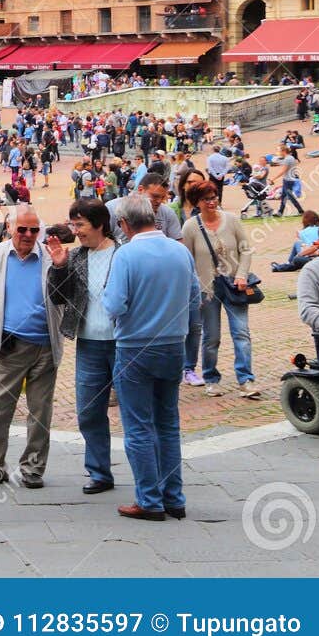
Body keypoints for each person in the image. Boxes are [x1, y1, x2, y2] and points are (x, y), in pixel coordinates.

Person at [103, 194, 202, 521]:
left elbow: (115, 304)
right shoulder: (179, 252)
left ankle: (149, 499)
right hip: (173, 345)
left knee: (139, 427)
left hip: (135, 347)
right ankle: (174, 496)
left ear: (124, 224)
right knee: (168, 423)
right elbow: (194, 298)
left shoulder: (126, 255)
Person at [0, 204, 62, 490]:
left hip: (45, 345)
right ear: (9, 228)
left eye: (34, 230)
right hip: (9, 346)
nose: (27, 235)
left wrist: (62, 267)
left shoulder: (49, 257)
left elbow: (64, 298)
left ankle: (33, 469)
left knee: (40, 411)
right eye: (22, 229)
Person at [44, 199, 118, 495]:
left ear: (99, 224)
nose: (75, 231)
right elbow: (59, 298)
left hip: (123, 342)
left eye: (81, 225)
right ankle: (99, 472)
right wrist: (59, 267)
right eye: (73, 225)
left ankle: (147, 470)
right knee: (88, 410)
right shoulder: (75, 257)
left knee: (137, 409)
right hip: (89, 343)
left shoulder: (123, 254)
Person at [179, 181, 258, 399]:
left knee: (241, 333)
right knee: (211, 337)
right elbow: (188, 261)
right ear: (197, 202)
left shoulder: (231, 220)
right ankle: (211, 378)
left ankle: (246, 379)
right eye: (206, 199)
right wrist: (195, 289)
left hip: (234, 286)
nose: (212, 202)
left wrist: (241, 274)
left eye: (214, 197)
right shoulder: (191, 227)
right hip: (208, 291)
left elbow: (246, 249)